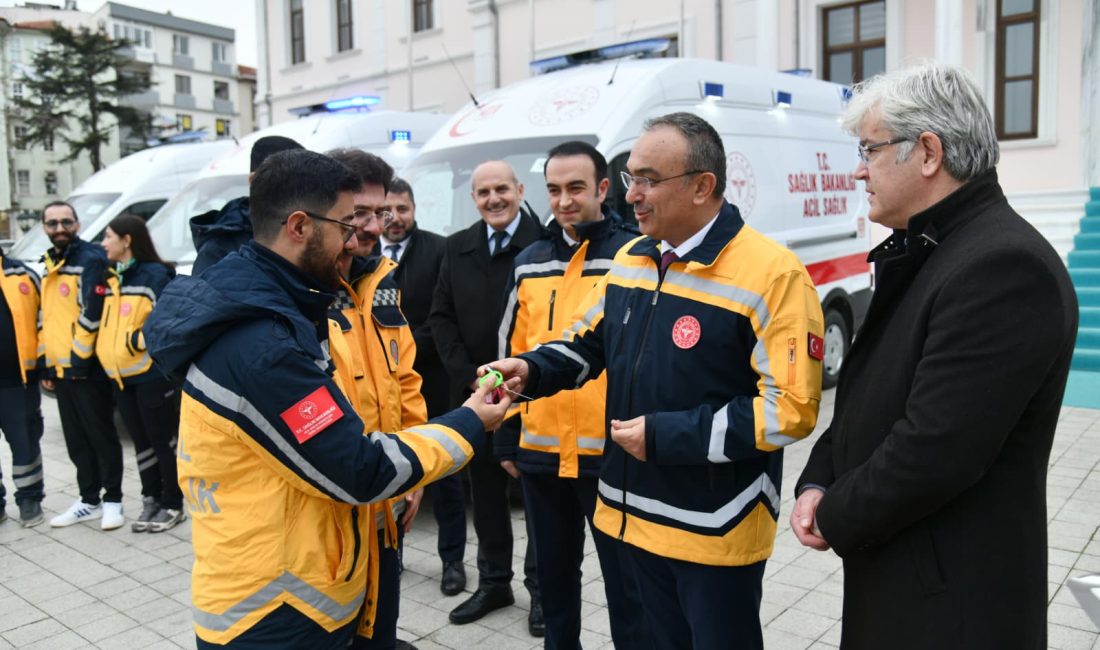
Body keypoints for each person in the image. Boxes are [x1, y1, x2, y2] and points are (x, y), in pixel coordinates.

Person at [144, 149, 516, 649]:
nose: (359, 234)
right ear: (299, 226)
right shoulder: (263, 342)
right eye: (348, 221)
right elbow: (358, 470)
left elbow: (395, 380)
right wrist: (471, 422)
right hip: (277, 608)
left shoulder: (288, 301)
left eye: (377, 216)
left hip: (326, 565)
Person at [486, 113, 824, 649]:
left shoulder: (773, 273)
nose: (632, 195)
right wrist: (530, 368)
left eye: (647, 179)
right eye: (629, 178)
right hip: (629, 520)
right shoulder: (631, 259)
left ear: (702, 186)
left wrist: (666, 436)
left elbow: (791, 409)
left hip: (713, 530)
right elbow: (587, 343)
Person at [790, 64, 1078, 650]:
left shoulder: (1001, 267)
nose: (858, 168)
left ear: (927, 152)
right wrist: (819, 475)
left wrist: (834, 512)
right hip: (910, 577)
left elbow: (936, 449)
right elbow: (872, 395)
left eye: (869, 149)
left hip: (953, 602)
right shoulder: (933, 247)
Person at [496, 141, 643, 648]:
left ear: (603, 188)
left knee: (628, 589)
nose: (564, 200)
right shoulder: (529, 262)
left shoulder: (634, 256)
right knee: (554, 584)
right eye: (554, 190)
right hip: (540, 454)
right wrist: (505, 437)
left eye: (576, 188)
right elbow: (511, 350)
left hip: (611, 454)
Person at [429, 160, 543, 634]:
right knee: (488, 498)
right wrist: (471, 383)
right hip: (480, 400)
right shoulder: (457, 248)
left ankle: (543, 591)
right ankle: (495, 581)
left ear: (519, 190)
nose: (493, 199)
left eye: (502, 189)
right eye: (483, 192)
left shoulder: (544, 245)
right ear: (473, 199)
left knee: (538, 500)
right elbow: (441, 318)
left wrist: (523, 381)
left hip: (536, 395)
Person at [325, 148, 421, 650]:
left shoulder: (381, 281)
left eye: (380, 213)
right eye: (360, 213)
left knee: (382, 629)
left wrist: (415, 470)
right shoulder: (307, 292)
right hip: (334, 507)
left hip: (388, 500)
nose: (373, 227)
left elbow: (404, 377)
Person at [377, 178, 467, 597]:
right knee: (391, 470)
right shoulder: (363, 250)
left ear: (414, 208)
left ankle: (452, 561)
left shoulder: (439, 250)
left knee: (443, 474)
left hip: (430, 379)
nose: (395, 218)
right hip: (379, 387)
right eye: (387, 210)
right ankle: (391, 556)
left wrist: (402, 351)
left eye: (403, 209)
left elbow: (443, 314)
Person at [38, 201, 126, 531]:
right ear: (45, 228)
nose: (59, 228)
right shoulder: (50, 262)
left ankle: (114, 500)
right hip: (62, 370)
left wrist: (78, 360)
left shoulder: (91, 258)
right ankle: (89, 500)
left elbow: (92, 313)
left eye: (65, 222)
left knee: (101, 435)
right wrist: (48, 364)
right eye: (52, 223)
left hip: (87, 368)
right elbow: (48, 317)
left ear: (77, 224)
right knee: (76, 439)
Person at [97, 215, 184, 533]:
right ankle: (151, 498)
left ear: (127, 240)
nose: (104, 243)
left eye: (108, 237)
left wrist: (134, 341)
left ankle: (173, 503)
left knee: (163, 442)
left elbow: (169, 321)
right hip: (122, 377)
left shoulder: (155, 275)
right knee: (141, 442)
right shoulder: (113, 276)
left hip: (150, 375)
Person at [189, 135, 304, 275]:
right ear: (254, 180)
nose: (296, 191)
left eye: (302, 183)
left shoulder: (304, 229)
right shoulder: (220, 248)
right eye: (286, 180)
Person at [0, 250, 45, 527]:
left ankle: (29, 499)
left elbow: (44, 321)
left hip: (18, 381)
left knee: (25, 441)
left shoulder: (23, 275)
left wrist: (44, 364)